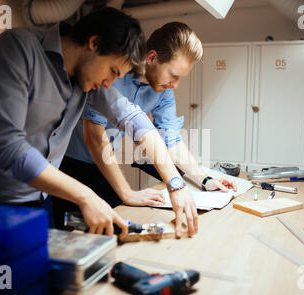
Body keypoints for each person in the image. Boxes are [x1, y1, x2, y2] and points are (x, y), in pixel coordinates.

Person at [0, 8, 197, 240]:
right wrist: (86, 196)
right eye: (112, 71)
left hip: (39, 202)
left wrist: (175, 184)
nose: (110, 84)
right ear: (94, 43)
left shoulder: (87, 78)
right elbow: (8, 148)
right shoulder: (15, 49)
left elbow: (132, 118)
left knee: (35, 284)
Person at [52, 22, 237, 231]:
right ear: (151, 57)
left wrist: (204, 179)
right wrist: (129, 192)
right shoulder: (111, 73)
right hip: (68, 167)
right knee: (68, 234)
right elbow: (95, 139)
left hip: (105, 167)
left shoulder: (164, 90)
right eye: (173, 75)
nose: (176, 84)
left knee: (118, 228)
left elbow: (171, 141)